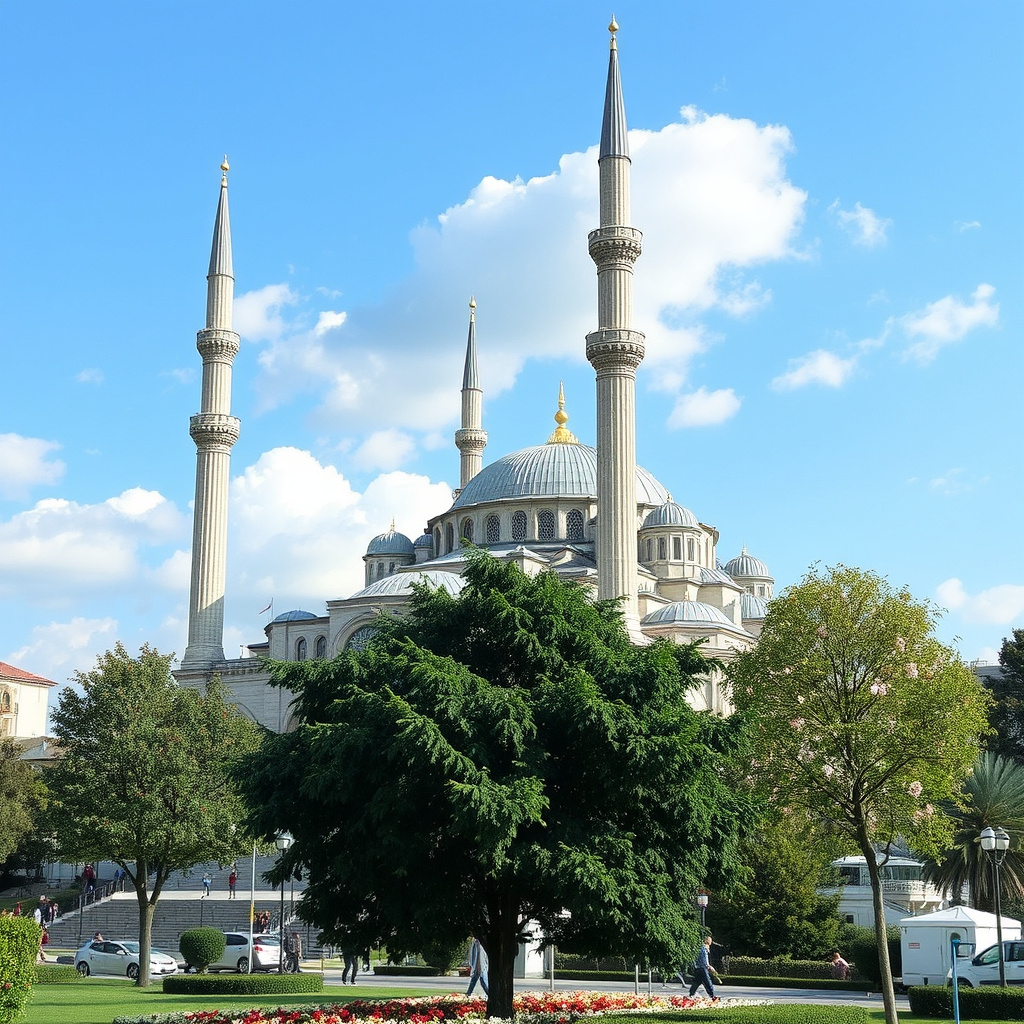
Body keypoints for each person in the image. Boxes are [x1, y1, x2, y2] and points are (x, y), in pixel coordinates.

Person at [688, 935, 718, 1000]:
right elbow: (703, 960)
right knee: (708, 981)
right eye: (710, 940)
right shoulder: (703, 949)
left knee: (697, 982)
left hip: (698, 968)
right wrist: (709, 966)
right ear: (706, 940)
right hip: (702, 968)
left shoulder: (704, 949)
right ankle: (712, 996)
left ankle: (691, 994)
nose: (711, 941)